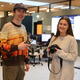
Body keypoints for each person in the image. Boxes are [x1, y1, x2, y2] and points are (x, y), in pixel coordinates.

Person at [0, 3, 30, 80]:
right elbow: (1, 46)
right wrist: (17, 47)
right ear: (14, 12)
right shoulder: (7, 26)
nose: (21, 13)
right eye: (19, 11)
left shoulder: (24, 28)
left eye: (23, 11)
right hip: (10, 64)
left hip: (21, 64)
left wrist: (26, 61)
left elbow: (25, 46)